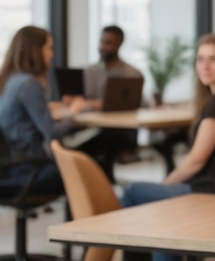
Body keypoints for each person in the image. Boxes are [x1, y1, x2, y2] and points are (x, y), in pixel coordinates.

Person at [115, 33, 215, 261]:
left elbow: (195, 161)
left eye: (214, 59)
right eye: (200, 59)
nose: (205, 66)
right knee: (156, 232)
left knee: (134, 193)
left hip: (209, 191)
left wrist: (164, 186)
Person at [0, 26, 85, 194]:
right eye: (49, 48)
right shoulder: (30, 84)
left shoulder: (10, 80)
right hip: (27, 171)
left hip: (8, 169)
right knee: (85, 166)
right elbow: (52, 132)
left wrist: (49, 107)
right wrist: (74, 113)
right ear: (35, 50)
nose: (52, 54)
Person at [77, 25, 144, 176]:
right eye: (102, 42)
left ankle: (102, 186)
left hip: (120, 130)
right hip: (90, 127)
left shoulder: (131, 74)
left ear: (119, 45)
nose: (103, 47)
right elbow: (81, 100)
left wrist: (101, 104)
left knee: (96, 144)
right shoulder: (89, 71)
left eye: (109, 43)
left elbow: (141, 103)